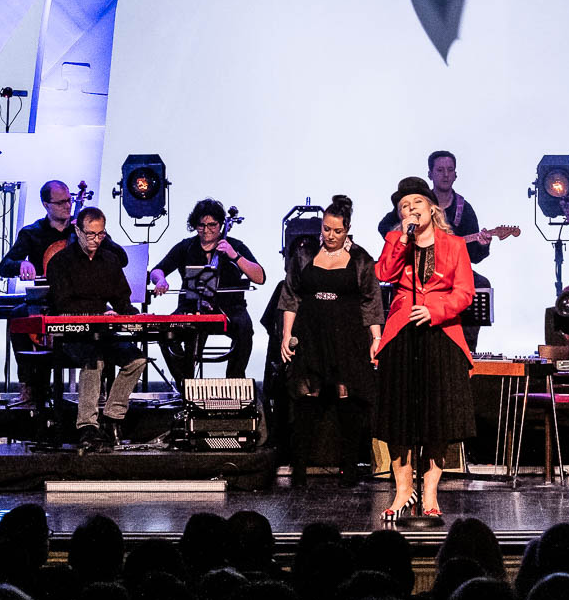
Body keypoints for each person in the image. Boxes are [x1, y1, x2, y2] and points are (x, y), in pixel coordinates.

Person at [374, 176, 476, 521]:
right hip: (402, 335)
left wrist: (436, 310)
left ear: (432, 208)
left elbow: (464, 292)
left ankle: (430, 492)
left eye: (416, 202)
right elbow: (384, 273)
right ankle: (403, 490)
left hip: (441, 335)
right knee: (399, 417)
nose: (411, 209)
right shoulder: (395, 240)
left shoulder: (455, 245)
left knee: (437, 419)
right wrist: (403, 239)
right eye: (404, 206)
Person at [278, 195, 383, 486]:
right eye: (326, 229)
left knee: (346, 396)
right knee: (306, 397)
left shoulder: (360, 258)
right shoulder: (304, 253)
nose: (331, 235)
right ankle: (299, 470)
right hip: (311, 333)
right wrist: (287, 335)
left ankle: (349, 469)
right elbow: (291, 296)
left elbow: (371, 302)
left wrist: (376, 338)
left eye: (337, 230)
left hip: (347, 335)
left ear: (347, 229)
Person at [45, 206, 147, 449]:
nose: (95, 239)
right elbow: (63, 303)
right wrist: (99, 313)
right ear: (78, 231)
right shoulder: (60, 262)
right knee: (94, 360)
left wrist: (134, 316)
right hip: (72, 335)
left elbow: (122, 300)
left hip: (104, 333)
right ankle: (87, 427)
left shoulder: (110, 260)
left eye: (100, 234)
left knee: (137, 360)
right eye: (90, 234)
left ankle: (112, 417)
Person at [378, 151, 493, 351]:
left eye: (450, 170)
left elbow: (473, 257)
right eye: (440, 170)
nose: (445, 175)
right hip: (412, 263)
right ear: (430, 174)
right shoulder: (412, 203)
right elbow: (384, 228)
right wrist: (402, 238)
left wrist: (482, 244)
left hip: (448, 270)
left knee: (479, 284)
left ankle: (468, 345)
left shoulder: (464, 209)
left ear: (456, 174)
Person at [149, 199, 266, 387]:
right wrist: (161, 280)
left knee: (245, 329)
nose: (206, 230)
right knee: (166, 332)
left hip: (230, 308)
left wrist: (235, 256)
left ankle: (234, 380)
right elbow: (157, 270)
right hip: (191, 306)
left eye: (212, 225)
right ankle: (184, 381)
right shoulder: (186, 247)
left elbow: (259, 277)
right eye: (201, 225)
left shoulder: (234, 245)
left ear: (220, 225)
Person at [0, 181, 76, 282]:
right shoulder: (31, 233)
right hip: (45, 291)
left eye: (69, 200)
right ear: (46, 205)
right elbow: (3, 267)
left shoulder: (82, 229)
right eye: (60, 203)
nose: (68, 206)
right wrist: (21, 264)